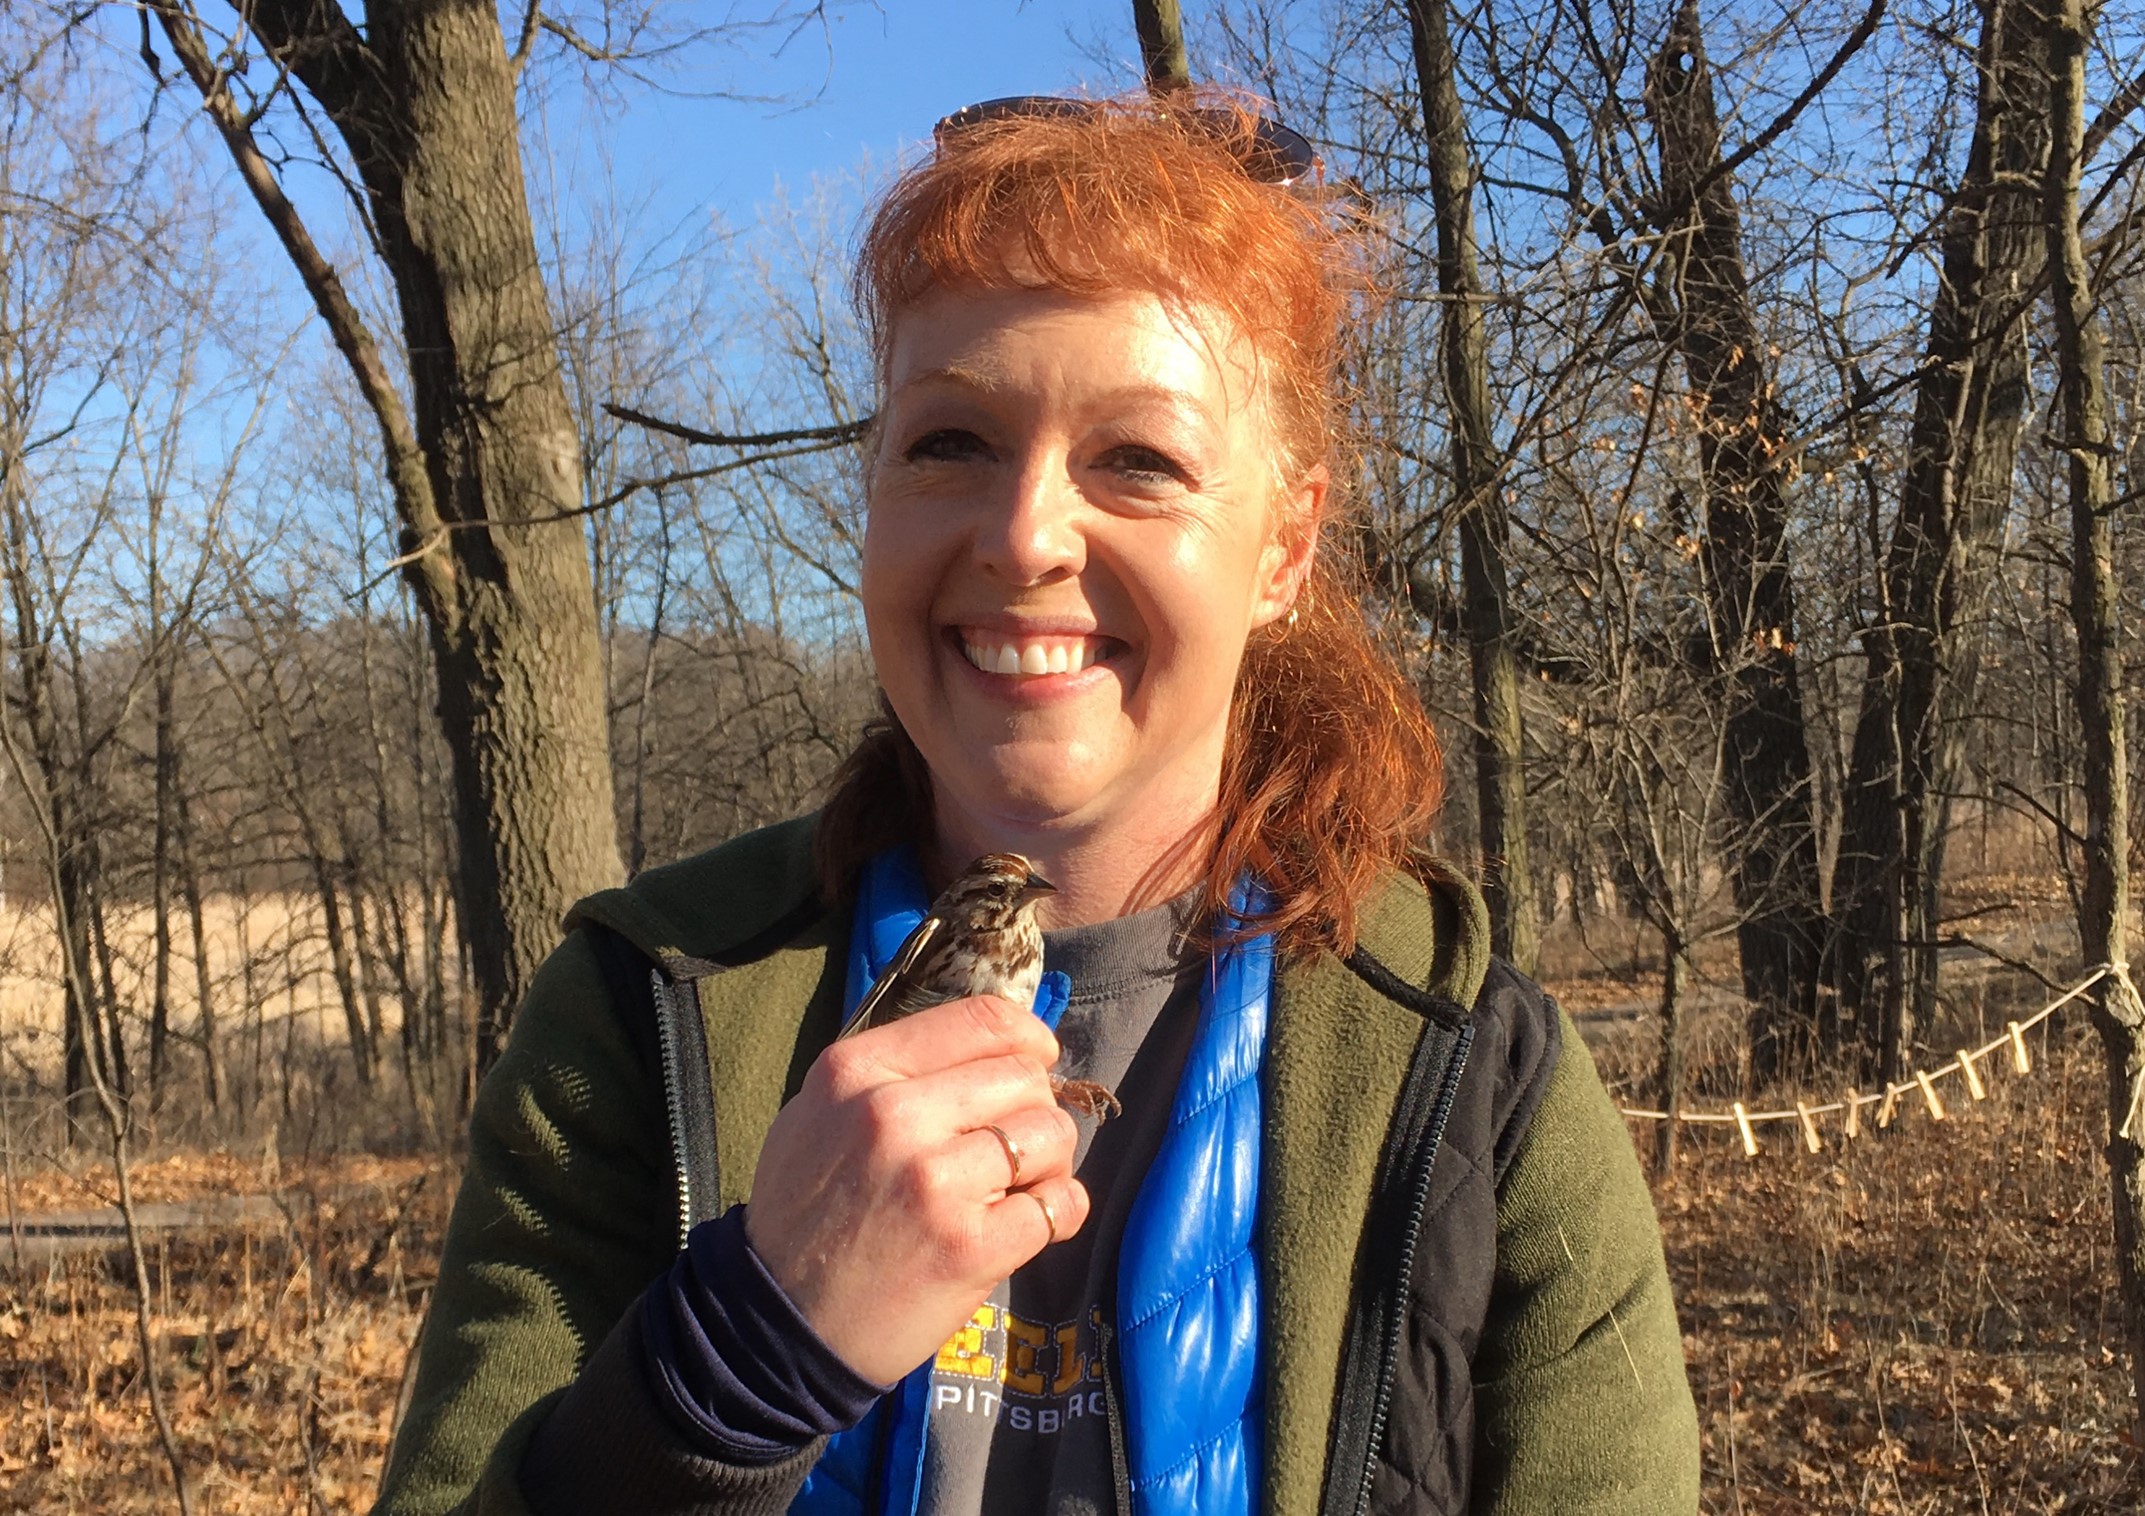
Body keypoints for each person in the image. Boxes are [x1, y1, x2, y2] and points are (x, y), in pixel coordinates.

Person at [372, 93, 1700, 1516]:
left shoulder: (1473, 1072)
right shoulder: (649, 1004)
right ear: (870, 492)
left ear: (1282, 549)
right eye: (948, 443)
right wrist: (737, 1364)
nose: (1022, 538)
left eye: (1139, 459)